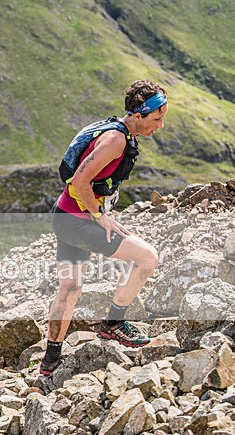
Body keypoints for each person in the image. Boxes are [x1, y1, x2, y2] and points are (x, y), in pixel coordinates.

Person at [41, 80, 167, 376]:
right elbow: (79, 182)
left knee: (70, 288)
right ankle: (114, 323)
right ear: (139, 116)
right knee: (147, 258)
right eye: (157, 119)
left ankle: (50, 360)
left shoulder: (118, 131)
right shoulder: (116, 140)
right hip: (77, 222)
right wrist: (100, 216)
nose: (160, 126)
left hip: (65, 217)